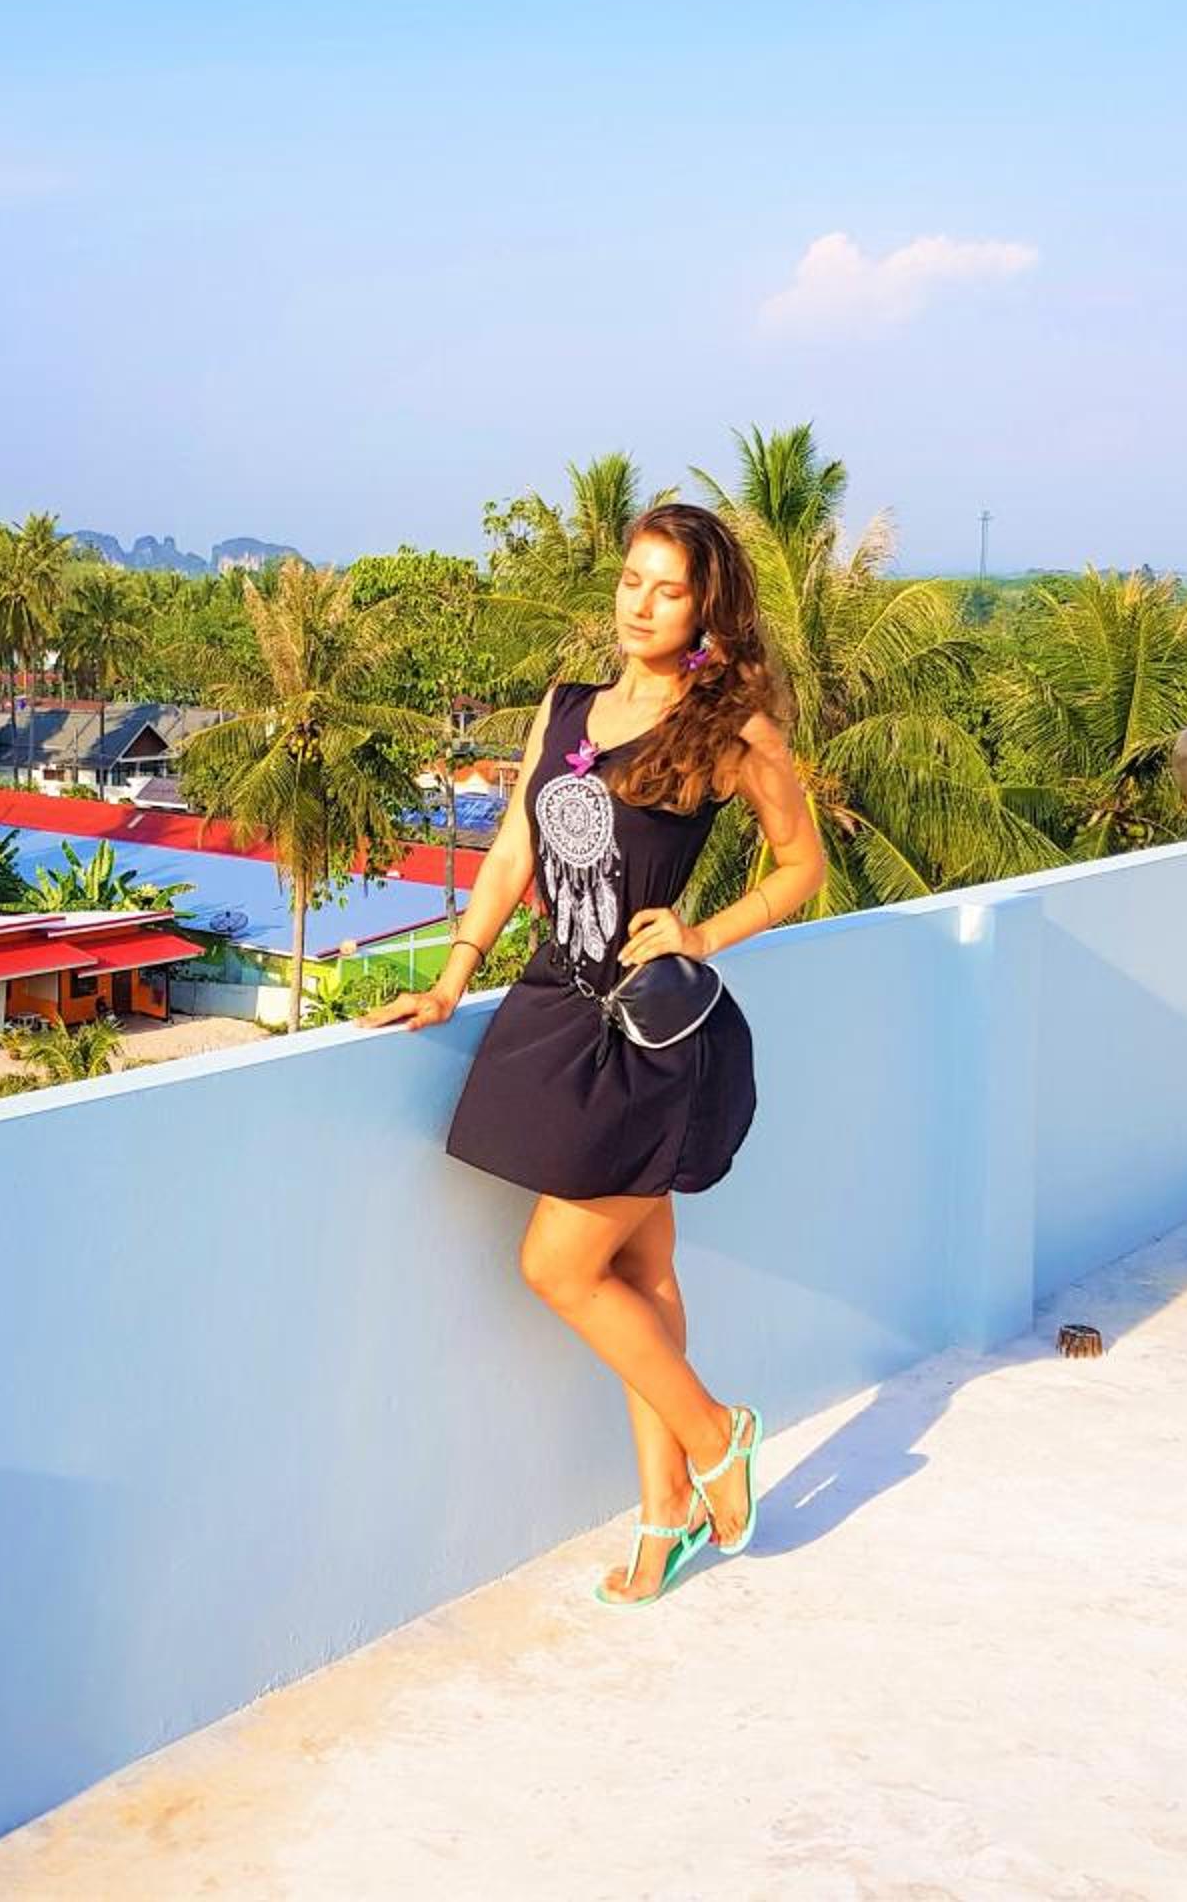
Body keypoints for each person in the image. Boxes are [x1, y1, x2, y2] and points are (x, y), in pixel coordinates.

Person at [364, 501, 828, 1605]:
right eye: (632, 580)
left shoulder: (730, 729)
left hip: (649, 1034)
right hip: (554, 1007)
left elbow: (800, 864)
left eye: (669, 590)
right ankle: (667, 1518)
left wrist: (703, 934)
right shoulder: (566, 707)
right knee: (643, 1273)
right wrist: (453, 975)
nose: (641, 605)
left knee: (557, 1266)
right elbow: (514, 849)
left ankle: (716, 1434)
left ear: (704, 609)